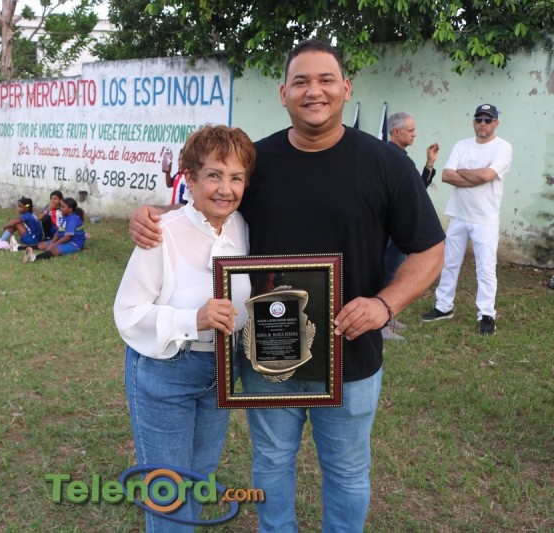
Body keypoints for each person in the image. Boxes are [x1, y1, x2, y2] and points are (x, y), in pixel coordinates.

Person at [129, 39, 445, 532]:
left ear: (346, 88)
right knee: (272, 463)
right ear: (283, 93)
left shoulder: (386, 163)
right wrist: (153, 218)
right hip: (268, 355)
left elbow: (429, 250)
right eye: (300, 81)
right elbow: (212, 204)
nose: (313, 91)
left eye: (325, 79)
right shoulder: (259, 162)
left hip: (352, 355)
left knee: (347, 469)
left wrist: (385, 305)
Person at [115, 125, 255, 531]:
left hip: (222, 369)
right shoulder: (163, 232)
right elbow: (128, 313)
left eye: (236, 177)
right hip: (167, 369)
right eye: (214, 175)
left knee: (200, 474)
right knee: (169, 488)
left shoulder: (242, 227)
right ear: (190, 179)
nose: (225, 189)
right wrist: (192, 319)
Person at [422, 104, 513, 336]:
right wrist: (477, 176)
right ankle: (443, 307)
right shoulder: (461, 145)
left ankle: (486, 315)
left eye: (488, 120)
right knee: (449, 263)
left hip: (485, 219)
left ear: (496, 123)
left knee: (486, 269)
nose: (483, 123)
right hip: (459, 215)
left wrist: (462, 171)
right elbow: (446, 175)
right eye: (479, 119)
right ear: (474, 122)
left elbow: (487, 175)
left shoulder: (503, 147)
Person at [381, 111, 440, 340]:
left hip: (398, 226)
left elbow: (416, 189)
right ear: (397, 132)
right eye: (410, 130)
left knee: (394, 272)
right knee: (386, 273)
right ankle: (381, 325)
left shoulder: (400, 157)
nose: (414, 134)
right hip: (389, 227)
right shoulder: (390, 157)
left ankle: (388, 317)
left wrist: (429, 163)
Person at [23, 197, 85, 262]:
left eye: (63, 207)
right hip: (65, 240)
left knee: (54, 250)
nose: (60, 209)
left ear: (70, 209)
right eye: (61, 206)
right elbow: (58, 232)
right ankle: (18, 247)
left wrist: (54, 244)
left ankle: (34, 258)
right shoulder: (65, 216)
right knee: (42, 245)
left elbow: (67, 238)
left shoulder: (73, 220)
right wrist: (52, 242)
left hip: (74, 244)